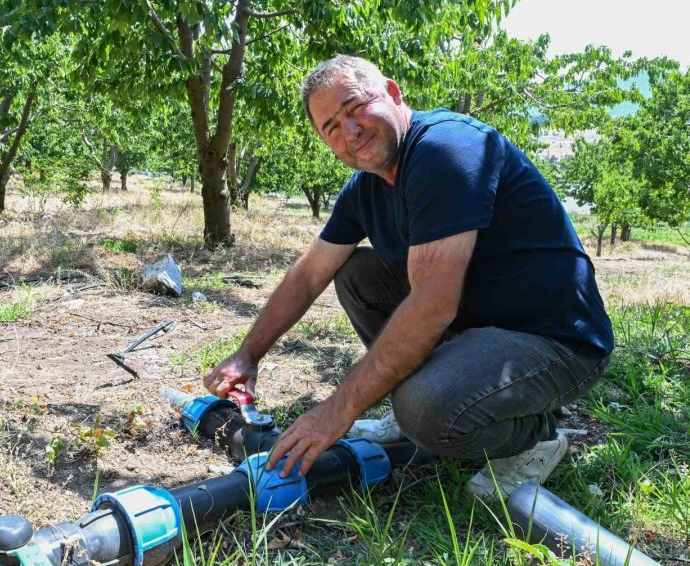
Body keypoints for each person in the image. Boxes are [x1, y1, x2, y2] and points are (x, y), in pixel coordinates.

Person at [203, 55, 613, 500]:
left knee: (425, 410)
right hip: (480, 322)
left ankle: (538, 436)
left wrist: (336, 410)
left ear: (394, 94)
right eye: (332, 128)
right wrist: (248, 355)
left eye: (355, 106)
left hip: (553, 339)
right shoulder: (366, 188)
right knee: (356, 272)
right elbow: (310, 272)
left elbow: (432, 305)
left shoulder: (445, 149)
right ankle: (445, 389)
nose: (351, 131)